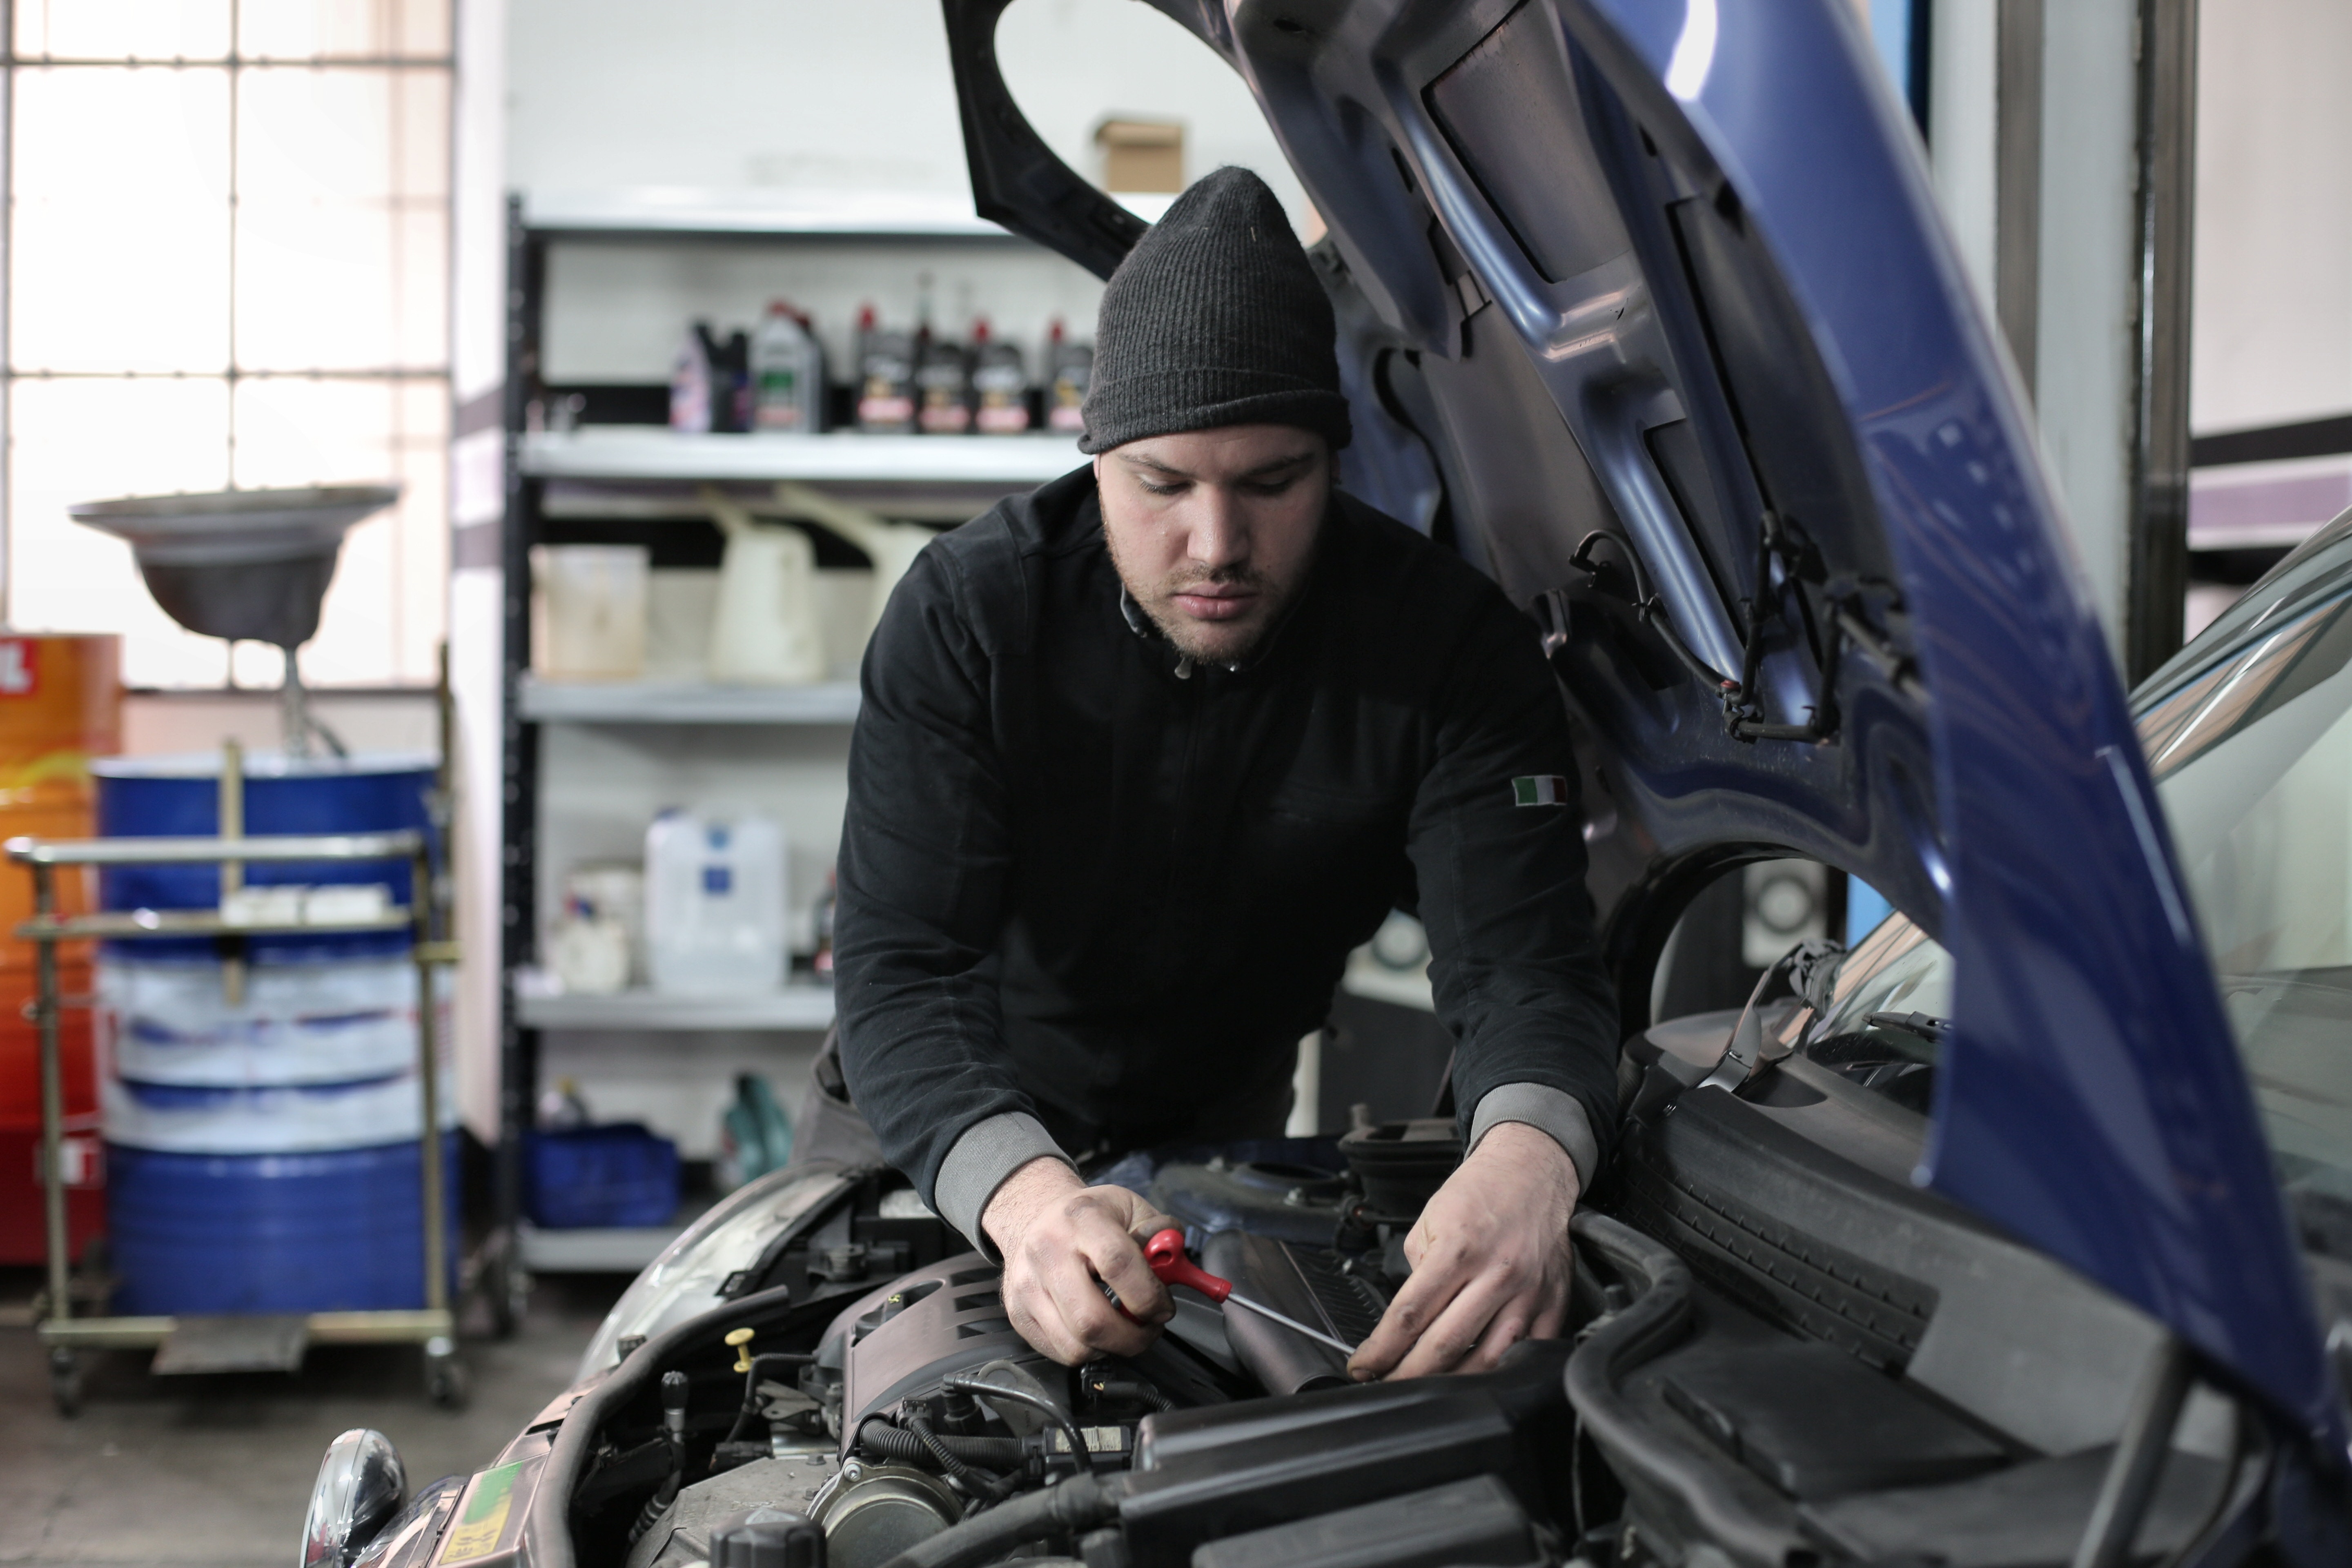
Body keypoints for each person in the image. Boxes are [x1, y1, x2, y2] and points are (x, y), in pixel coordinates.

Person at [817, 167, 1617, 1382]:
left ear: (1331, 460)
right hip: (937, 1137)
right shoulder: (971, 619)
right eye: (1164, 484)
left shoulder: (1447, 650)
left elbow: (1526, 963)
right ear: (1095, 462)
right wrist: (1029, 1203)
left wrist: (1525, 1162)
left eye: (1272, 482)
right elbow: (904, 975)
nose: (1218, 545)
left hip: (1219, 1148)